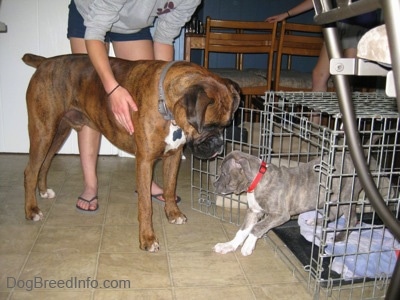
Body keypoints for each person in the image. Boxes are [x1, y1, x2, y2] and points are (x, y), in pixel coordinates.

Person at [67, 0, 201, 213]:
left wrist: (163, 94)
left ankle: (145, 183)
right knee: (90, 101)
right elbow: (94, 33)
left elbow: (165, 36)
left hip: (133, 25)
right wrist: (112, 89)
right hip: (91, 13)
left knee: (146, 98)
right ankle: (90, 185)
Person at [266, 0, 380, 92]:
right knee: (319, 75)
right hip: (338, 23)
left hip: (360, 23)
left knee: (345, 77)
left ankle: (344, 119)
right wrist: (286, 14)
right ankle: (314, 120)